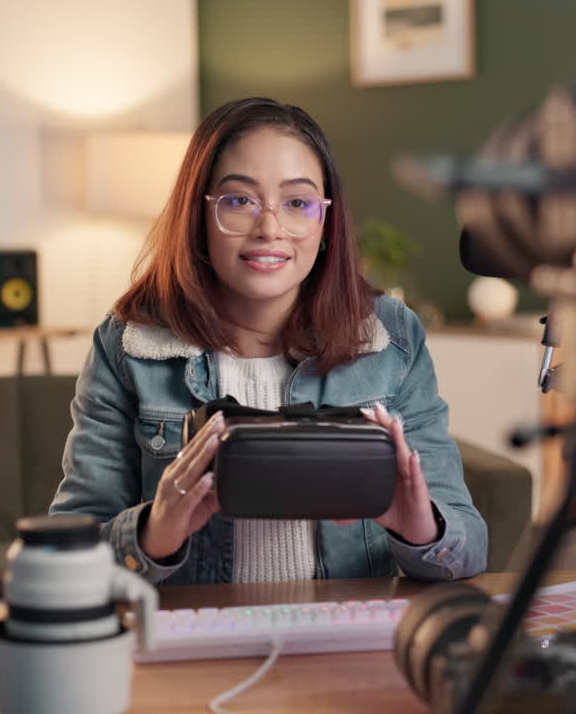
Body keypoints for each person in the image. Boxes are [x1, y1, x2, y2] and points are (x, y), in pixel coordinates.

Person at [50, 97, 487, 584]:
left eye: (297, 203)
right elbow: (67, 550)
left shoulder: (391, 338)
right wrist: (154, 532)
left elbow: (468, 546)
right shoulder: (129, 344)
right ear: (200, 214)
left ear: (325, 222)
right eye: (240, 201)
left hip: (345, 642)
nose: (270, 229)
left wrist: (420, 528)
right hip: (190, 645)